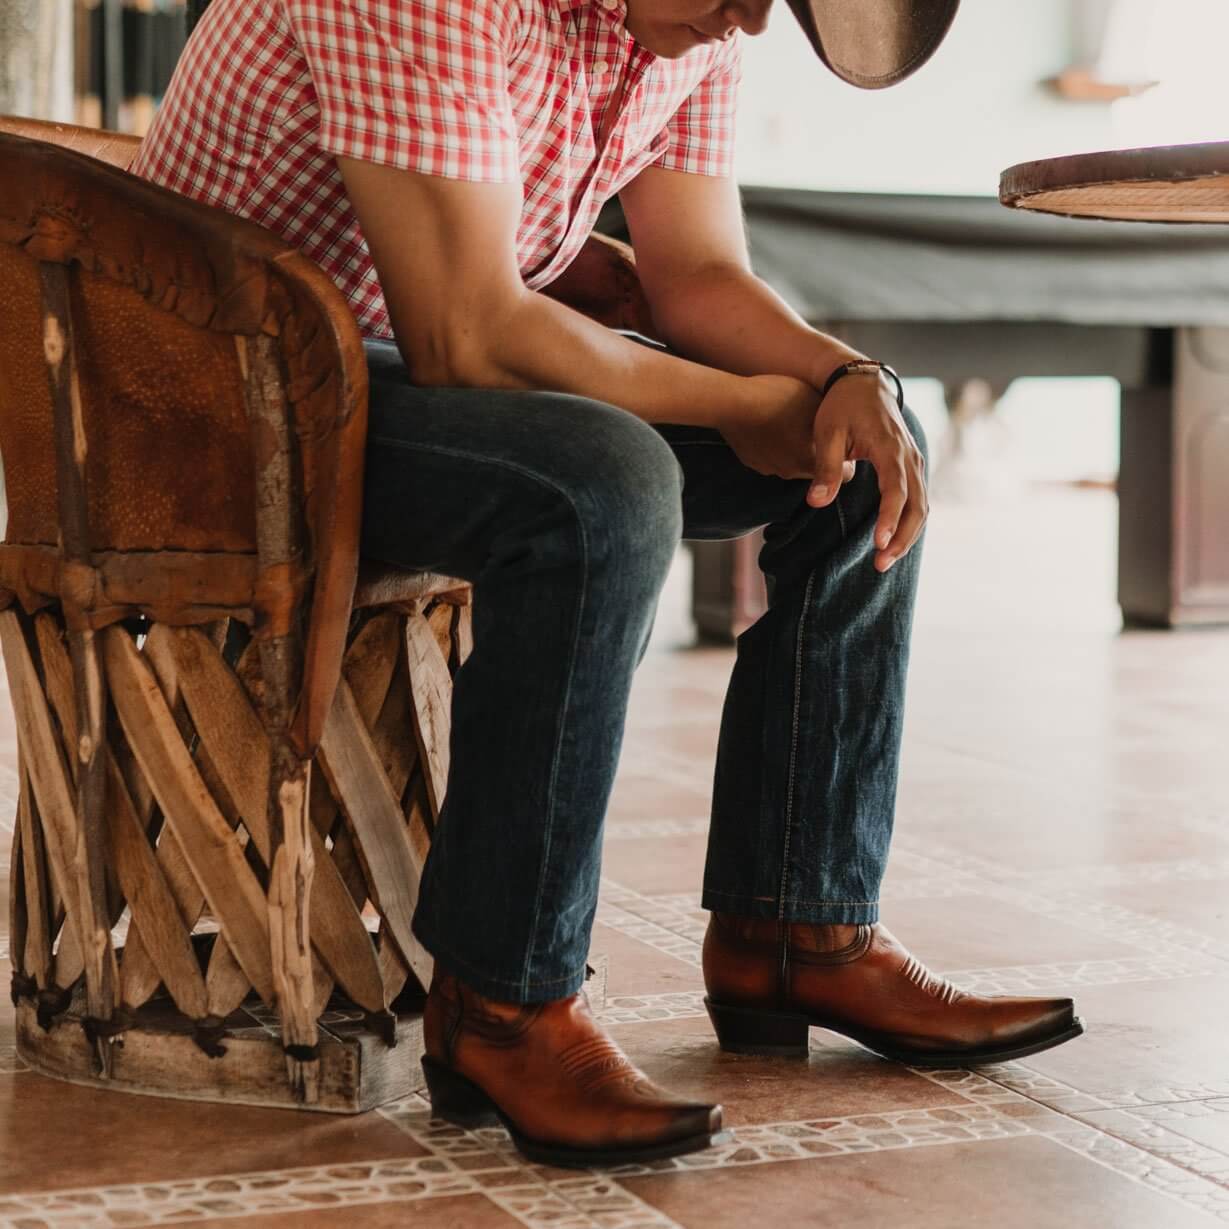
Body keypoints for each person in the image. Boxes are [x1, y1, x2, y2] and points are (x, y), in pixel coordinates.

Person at [132, 0, 1082, 1168]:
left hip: (396, 370)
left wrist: (845, 380)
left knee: (863, 461)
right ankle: (501, 1001)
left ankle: (795, 929)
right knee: (604, 487)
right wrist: (742, 404)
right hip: (217, 392)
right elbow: (466, 332)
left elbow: (698, 275)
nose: (748, 21)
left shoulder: (697, 27)